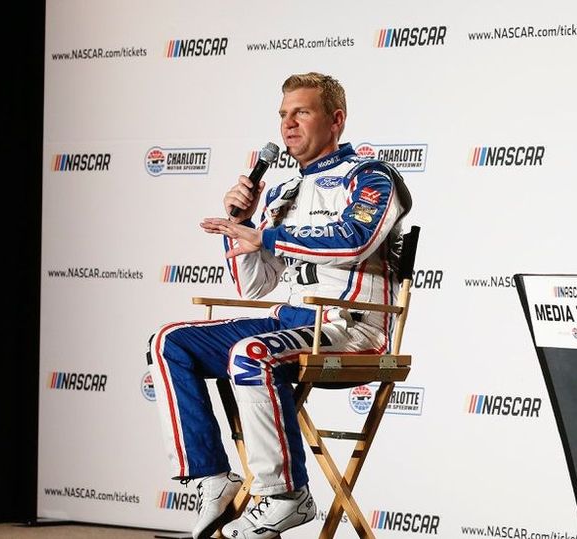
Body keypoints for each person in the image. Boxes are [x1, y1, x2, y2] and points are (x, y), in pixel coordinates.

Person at [147, 72, 411, 539]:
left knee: (251, 355)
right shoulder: (282, 190)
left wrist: (265, 234)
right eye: (283, 115)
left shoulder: (371, 176)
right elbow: (257, 284)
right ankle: (212, 476)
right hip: (289, 320)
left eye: (301, 113)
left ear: (336, 120)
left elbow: (355, 239)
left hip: (352, 331)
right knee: (171, 343)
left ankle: (287, 496)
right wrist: (242, 225)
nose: (288, 125)